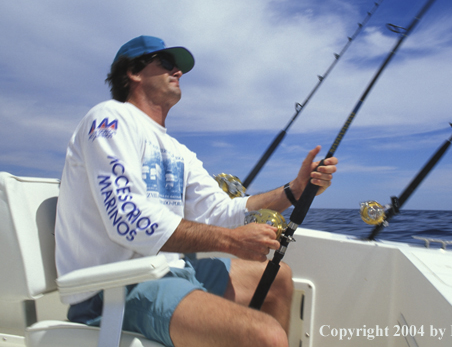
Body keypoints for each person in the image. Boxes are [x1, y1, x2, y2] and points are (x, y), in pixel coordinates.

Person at [55, 35, 339, 347]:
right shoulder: (109, 118)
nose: (177, 72)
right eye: (165, 63)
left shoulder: (177, 151)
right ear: (134, 73)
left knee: (279, 278)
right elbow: (129, 220)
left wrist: (295, 190)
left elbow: (224, 212)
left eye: (178, 67)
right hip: (118, 287)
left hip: (173, 270)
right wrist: (230, 241)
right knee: (266, 335)